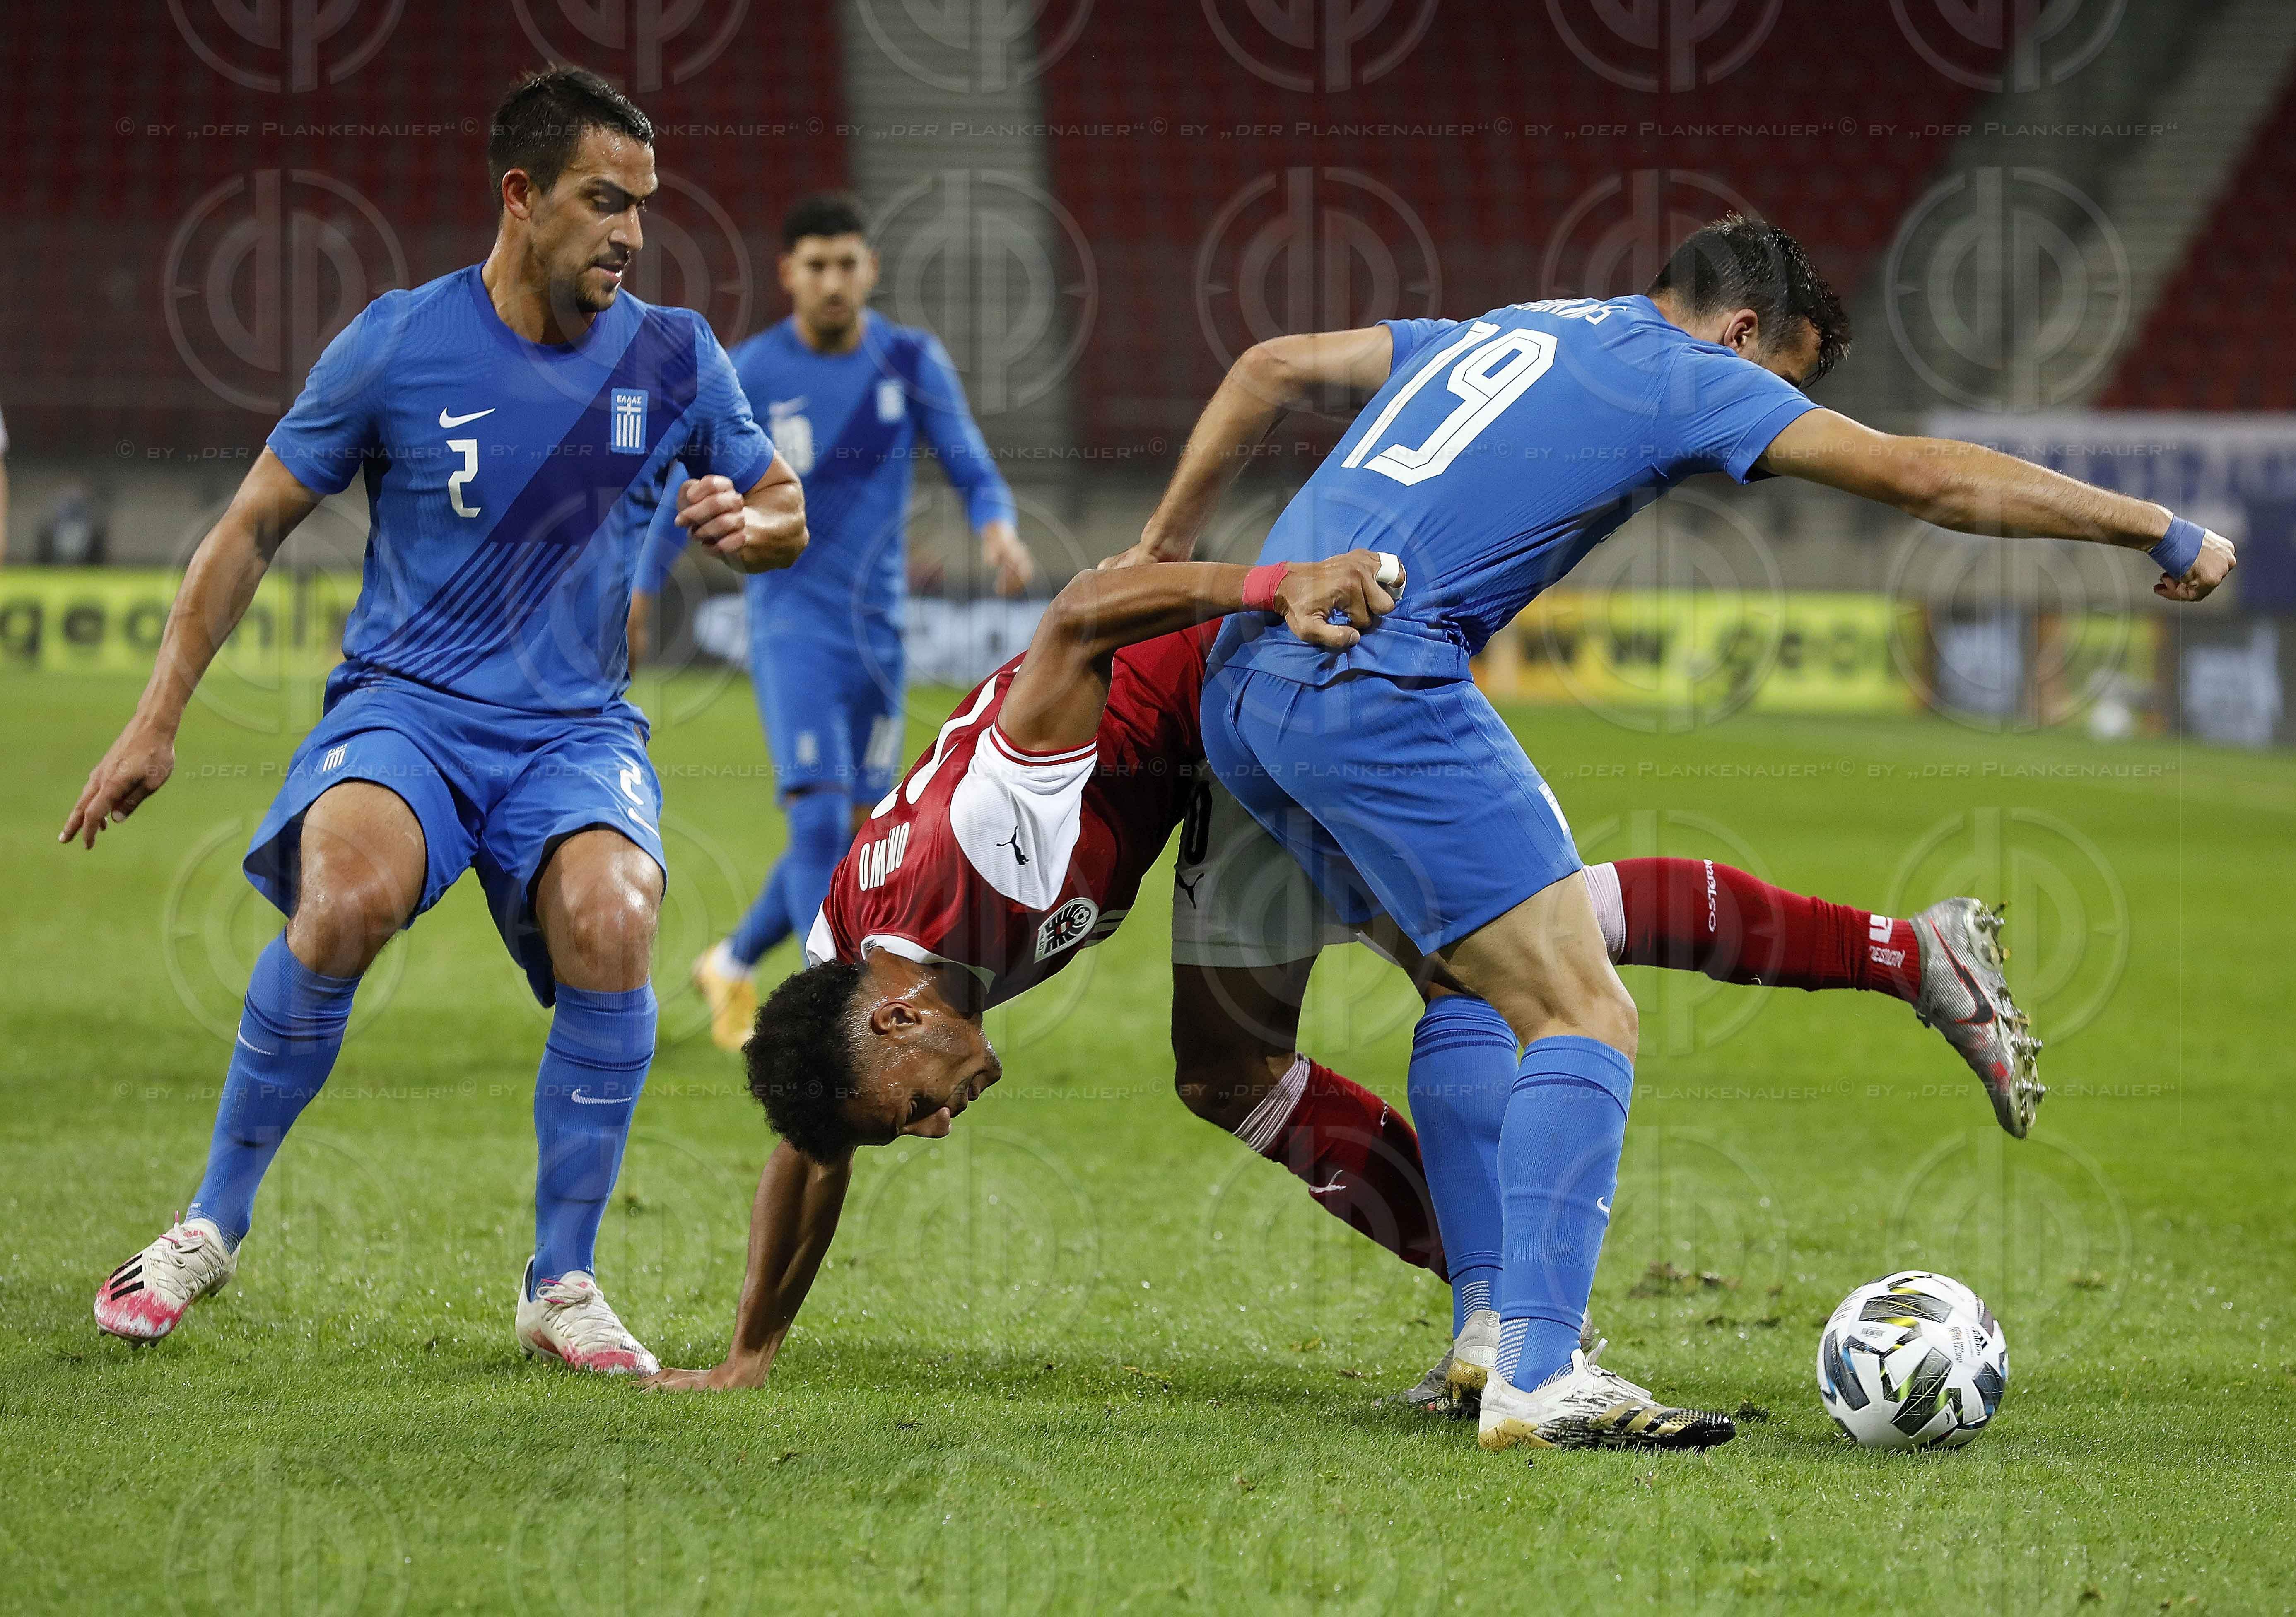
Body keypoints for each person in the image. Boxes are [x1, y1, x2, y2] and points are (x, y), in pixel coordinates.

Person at [1138, 213, 2231, 1451]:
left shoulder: (1510, 327)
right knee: (1583, 1011)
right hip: (1378, 679)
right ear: (1743, 330)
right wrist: (2152, 526)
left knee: (1465, 979)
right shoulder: (1686, 370)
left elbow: (1273, 364)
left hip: (1244, 686)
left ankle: (1491, 1334)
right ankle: (1543, 1377)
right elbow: (1926, 477)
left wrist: (1165, 547)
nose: (1771, 421)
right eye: (1786, 384)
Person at [637, 559, 2036, 1394]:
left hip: (1263, 679)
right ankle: (1493, 1307)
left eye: (917, 1108)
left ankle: (1905, 955)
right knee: (1226, 1067)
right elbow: (812, 1147)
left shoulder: (991, 837)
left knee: (1495, 954)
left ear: (899, 1016)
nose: (940, 1124)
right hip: (1201, 766)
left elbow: (1080, 612)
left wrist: (1274, 581)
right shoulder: (850, 962)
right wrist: (752, 1349)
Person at [66, 68, 805, 1375]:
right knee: (345, 900)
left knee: (618, 918)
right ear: (521, 195)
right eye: (604, 201)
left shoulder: (676, 355)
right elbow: (250, 527)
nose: (632, 234)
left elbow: (782, 503)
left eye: (643, 206)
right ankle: (209, 1224)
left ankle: (562, 1281)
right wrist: (155, 719)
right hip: (407, 710)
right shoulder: (399, 343)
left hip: (575, 731)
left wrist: (752, 526)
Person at [627, 192, 1035, 1051]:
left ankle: (730, 960)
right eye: (817, 266)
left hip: (880, 639)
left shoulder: (909, 361)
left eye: (847, 264)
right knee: (817, 819)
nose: (833, 281)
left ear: (870, 269)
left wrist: (998, 528)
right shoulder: (750, 371)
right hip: (792, 626)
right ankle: (833, 1022)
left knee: (854, 837)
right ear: (789, 274)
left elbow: (969, 463)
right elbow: (683, 486)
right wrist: (641, 588)